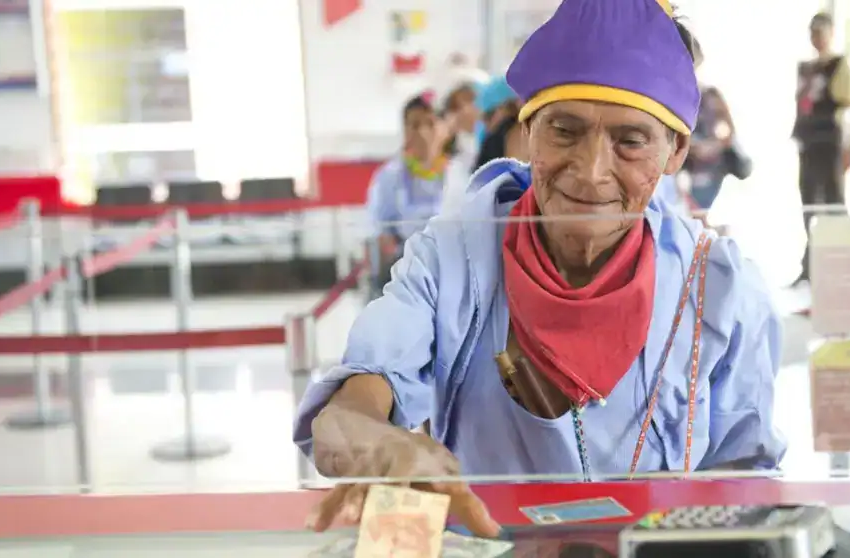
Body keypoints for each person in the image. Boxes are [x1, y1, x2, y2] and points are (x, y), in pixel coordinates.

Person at [297, 0, 786, 536]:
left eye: (629, 141)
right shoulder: (454, 259)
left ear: (676, 152)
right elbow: (347, 411)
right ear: (527, 130)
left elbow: (749, 480)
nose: (592, 171)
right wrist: (378, 443)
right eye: (564, 131)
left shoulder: (719, 289)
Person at [792, 12, 850, 284]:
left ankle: (841, 264)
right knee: (808, 204)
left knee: (833, 204)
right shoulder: (805, 68)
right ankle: (811, 266)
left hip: (830, 141)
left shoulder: (838, 65)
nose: (816, 37)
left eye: (820, 31)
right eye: (813, 31)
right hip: (807, 141)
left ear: (830, 33)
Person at [366, 94, 454, 298]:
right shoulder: (389, 177)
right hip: (403, 277)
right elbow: (381, 233)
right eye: (415, 125)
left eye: (430, 124)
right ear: (405, 131)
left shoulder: (459, 174)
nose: (423, 132)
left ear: (443, 129)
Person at [680, 85, 751, 225]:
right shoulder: (682, 151)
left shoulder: (725, 153)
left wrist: (727, 141)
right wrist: (690, 148)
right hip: (682, 217)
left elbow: (744, 170)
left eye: (716, 113)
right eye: (704, 112)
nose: (708, 119)